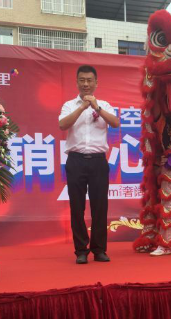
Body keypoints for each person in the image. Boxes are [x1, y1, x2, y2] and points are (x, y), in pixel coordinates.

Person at [59, 65, 120, 264]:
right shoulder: (70, 105)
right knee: (77, 207)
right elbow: (62, 124)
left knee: (100, 207)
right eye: (82, 80)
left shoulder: (104, 105)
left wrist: (96, 108)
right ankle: (81, 251)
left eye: (89, 80)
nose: (86, 84)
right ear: (77, 82)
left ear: (96, 83)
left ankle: (99, 249)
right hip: (75, 160)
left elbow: (115, 123)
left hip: (98, 161)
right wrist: (82, 107)